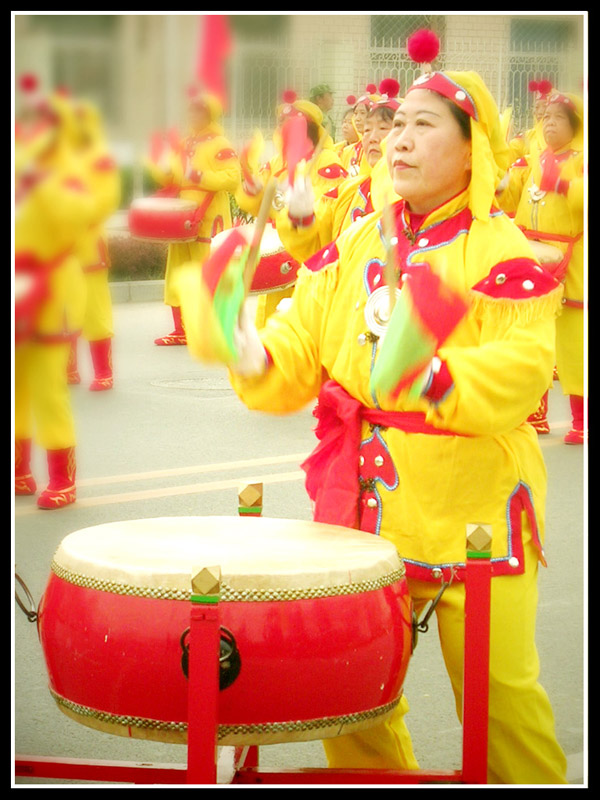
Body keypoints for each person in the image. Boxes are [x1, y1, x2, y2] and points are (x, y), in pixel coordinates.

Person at [219, 69, 568, 784]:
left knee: (503, 711)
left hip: (476, 520)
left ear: (473, 150)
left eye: (424, 125)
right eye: (397, 124)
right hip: (365, 520)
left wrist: (433, 378)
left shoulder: (503, 253)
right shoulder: (356, 244)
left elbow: (524, 368)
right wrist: (250, 345)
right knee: (349, 705)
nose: (399, 139)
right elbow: (301, 350)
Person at [15, 78, 95, 508]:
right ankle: (19, 469)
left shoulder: (67, 169)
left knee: (47, 386)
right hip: (17, 281)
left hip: (52, 284)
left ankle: (62, 478)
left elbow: (78, 216)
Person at [497, 90, 585, 443]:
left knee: (574, 343)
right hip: (535, 256)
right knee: (536, 337)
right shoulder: (536, 158)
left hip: (573, 261)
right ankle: (537, 414)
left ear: (575, 124)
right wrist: (502, 184)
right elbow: (513, 198)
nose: (549, 124)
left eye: (558, 118)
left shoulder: (581, 159)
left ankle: (583, 419)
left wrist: (564, 183)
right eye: (546, 117)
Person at [235, 92, 347, 325]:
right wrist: (253, 191)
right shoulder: (276, 163)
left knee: (300, 321)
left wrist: (299, 208)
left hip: (305, 249)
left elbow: (329, 207)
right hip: (276, 247)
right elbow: (261, 206)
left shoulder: (325, 160)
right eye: (282, 126)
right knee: (270, 318)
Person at [147, 86, 241, 345]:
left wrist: (201, 177)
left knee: (209, 271)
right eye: (191, 111)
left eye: (198, 112)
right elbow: (174, 177)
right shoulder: (185, 143)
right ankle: (181, 329)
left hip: (209, 219)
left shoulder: (221, 144)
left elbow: (233, 178)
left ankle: (215, 328)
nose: (192, 116)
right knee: (177, 270)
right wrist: (164, 169)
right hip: (181, 219)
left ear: (209, 115)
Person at [278, 89, 399, 265]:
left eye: (383, 128)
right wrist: (301, 217)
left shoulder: (419, 195)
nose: (372, 137)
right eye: (366, 130)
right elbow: (319, 249)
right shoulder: (346, 193)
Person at [67, 97, 121, 390]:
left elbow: (105, 199)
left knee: (94, 310)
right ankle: (69, 369)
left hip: (88, 246)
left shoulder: (99, 158)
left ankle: (103, 372)